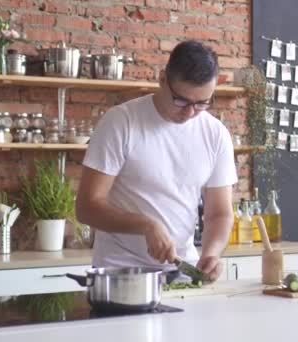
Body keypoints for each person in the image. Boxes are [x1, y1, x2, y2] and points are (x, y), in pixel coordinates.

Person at [75, 41, 237, 281]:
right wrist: (145, 225)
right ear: (162, 80)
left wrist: (212, 253)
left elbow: (219, 213)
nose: (190, 112)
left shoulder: (216, 134)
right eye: (181, 101)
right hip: (121, 274)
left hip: (182, 272)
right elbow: (86, 208)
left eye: (202, 103)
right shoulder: (122, 122)